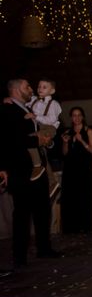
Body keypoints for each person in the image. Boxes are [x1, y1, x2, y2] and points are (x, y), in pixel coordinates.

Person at [0, 79, 60, 268]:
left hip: (39, 167)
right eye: (27, 87)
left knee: (42, 209)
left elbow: (44, 132)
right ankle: (19, 256)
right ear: (17, 90)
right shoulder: (7, 110)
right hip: (21, 169)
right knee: (22, 214)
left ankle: (44, 248)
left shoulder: (28, 107)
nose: (31, 89)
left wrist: (47, 142)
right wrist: (37, 142)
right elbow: (11, 140)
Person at [60, 107, 92, 234]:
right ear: (71, 117)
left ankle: (85, 226)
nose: (76, 118)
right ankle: (72, 227)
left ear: (83, 117)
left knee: (84, 197)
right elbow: (65, 153)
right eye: (74, 115)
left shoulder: (89, 131)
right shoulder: (68, 132)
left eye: (79, 115)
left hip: (83, 169)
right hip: (70, 169)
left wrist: (82, 141)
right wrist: (65, 143)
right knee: (70, 198)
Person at [24, 78, 62, 182]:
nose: (40, 89)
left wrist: (35, 116)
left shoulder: (54, 104)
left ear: (52, 91)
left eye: (44, 87)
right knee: (43, 154)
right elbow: (22, 102)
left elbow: (51, 120)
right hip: (39, 127)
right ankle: (52, 182)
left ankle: (37, 165)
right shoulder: (34, 99)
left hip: (49, 128)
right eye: (39, 86)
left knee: (32, 139)